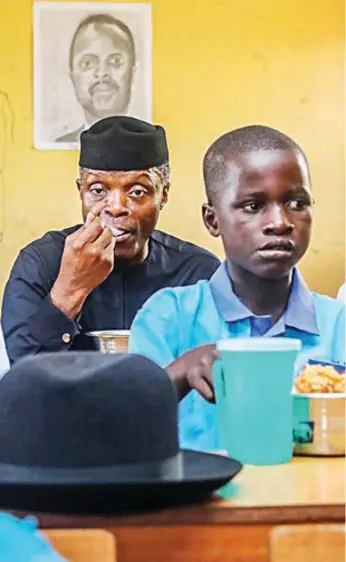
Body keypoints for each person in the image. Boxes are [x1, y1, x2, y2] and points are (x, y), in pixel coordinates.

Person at [129, 125, 345, 453]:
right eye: (253, 206)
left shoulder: (338, 324)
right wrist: (181, 372)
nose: (280, 221)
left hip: (311, 503)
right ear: (212, 220)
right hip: (198, 503)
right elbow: (122, 423)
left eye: (297, 202)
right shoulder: (169, 317)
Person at [2, 116, 219, 364]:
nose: (116, 208)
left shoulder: (198, 273)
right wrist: (70, 290)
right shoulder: (40, 264)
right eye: (97, 190)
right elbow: (23, 372)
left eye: (137, 191)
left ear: (163, 195)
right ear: (80, 192)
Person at [56, 14, 136, 143]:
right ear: (73, 77)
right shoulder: (60, 145)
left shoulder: (151, 147)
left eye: (115, 61)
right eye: (87, 63)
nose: (102, 72)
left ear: (132, 72)